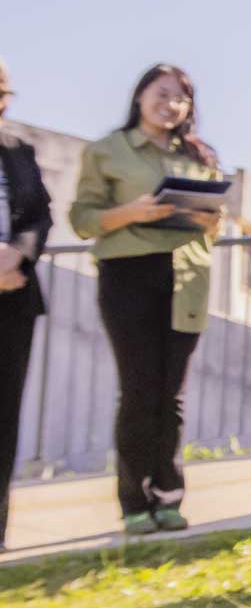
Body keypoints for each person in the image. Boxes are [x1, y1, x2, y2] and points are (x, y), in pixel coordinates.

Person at [69, 64, 226, 536]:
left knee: (171, 396)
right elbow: (82, 218)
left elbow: (213, 226)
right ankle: (134, 502)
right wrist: (133, 212)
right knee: (139, 390)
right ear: (139, 97)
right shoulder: (107, 150)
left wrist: (208, 222)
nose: (170, 104)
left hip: (186, 278)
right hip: (129, 276)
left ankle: (169, 497)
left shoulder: (199, 157)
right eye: (161, 94)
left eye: (180, 97)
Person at [0, 59, 54, 550]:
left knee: (4, 415)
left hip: (12, 295)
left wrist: (17, 253)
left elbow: (39, 213)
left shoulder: (19, 151)